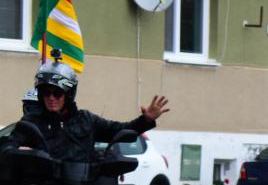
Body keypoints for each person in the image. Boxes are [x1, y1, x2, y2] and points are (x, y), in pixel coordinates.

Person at [4, 53, 168, 165]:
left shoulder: (86, 120)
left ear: (68, 94)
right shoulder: (30, 123)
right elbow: (7, 147)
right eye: (46, 93)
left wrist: (146, 120)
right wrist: (20, 151)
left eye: (57, 93)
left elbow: (119, 130)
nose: (51, 98)